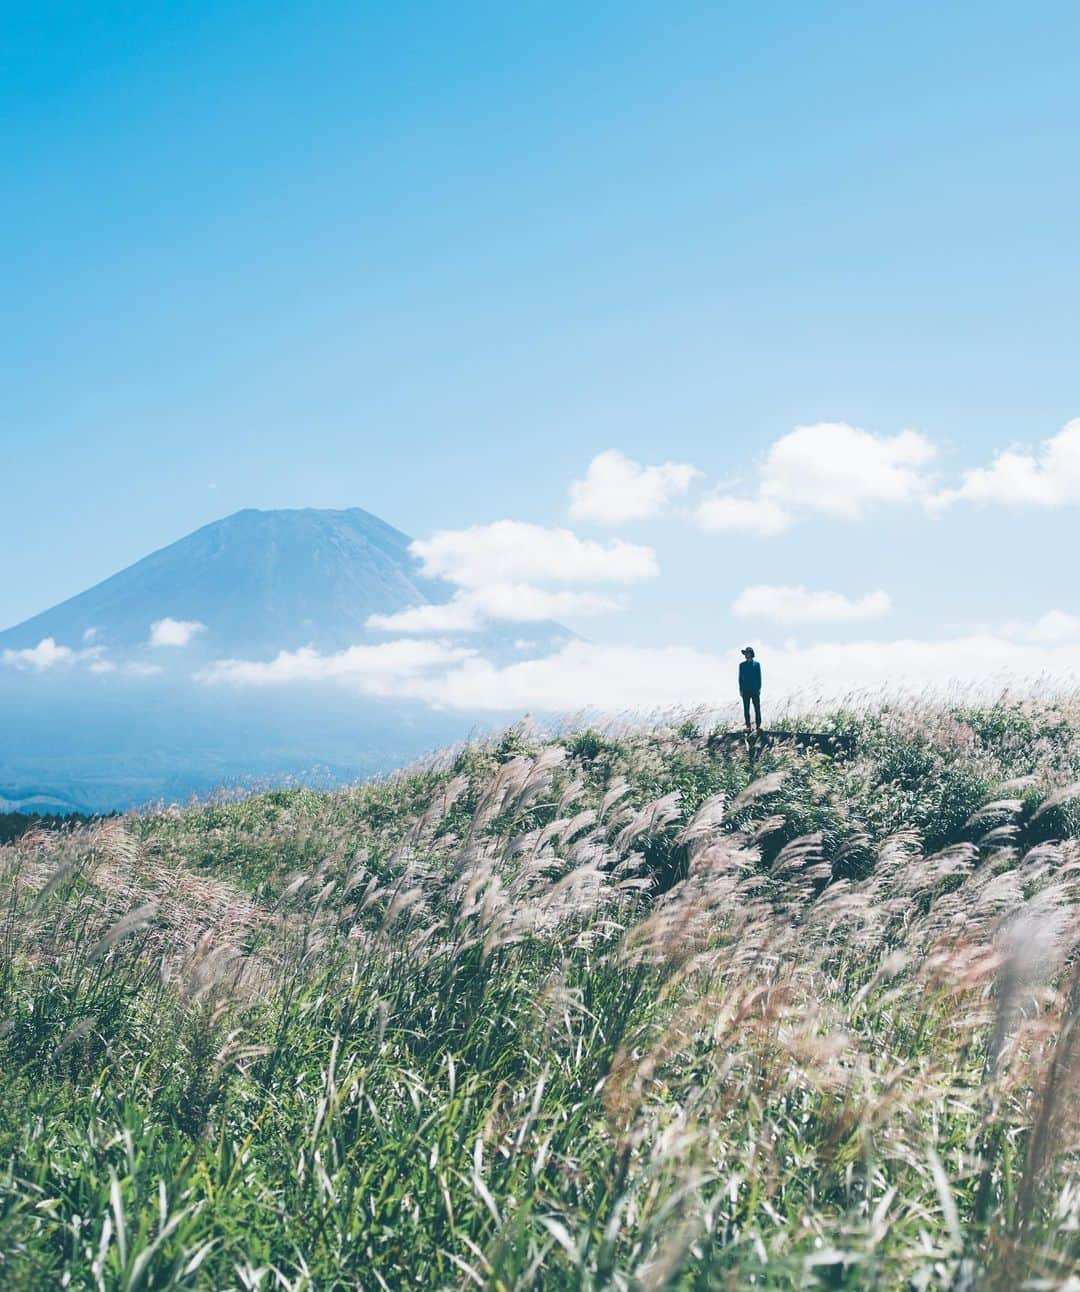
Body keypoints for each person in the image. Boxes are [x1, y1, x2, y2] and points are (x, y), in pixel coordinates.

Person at [739, 646, 762, 733]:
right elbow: (740, 678)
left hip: (755, 689)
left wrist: (759, 688)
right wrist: (740, 689)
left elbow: (759, 677)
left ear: (751, 654)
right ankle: (748, 726)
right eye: (745, 653)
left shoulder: (757, 664)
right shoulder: (742, 665)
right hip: (745, 690)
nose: (746, 655)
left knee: (757, 708)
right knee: (746, 708)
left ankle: (758, 726)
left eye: (748, 653)